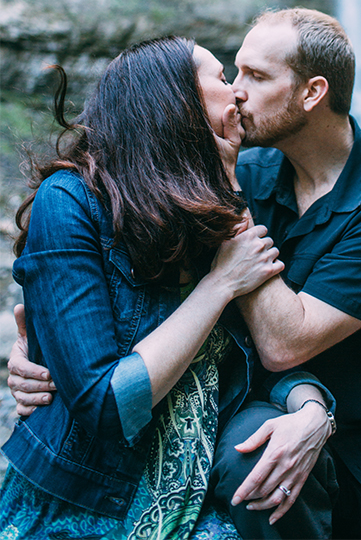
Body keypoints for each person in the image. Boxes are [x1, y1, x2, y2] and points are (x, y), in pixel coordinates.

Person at [12, 8, 361, 538]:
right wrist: (42, 354)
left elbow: (283, 343)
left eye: (255, 77)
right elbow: (132, 307)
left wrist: (228, 194)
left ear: (311, 94)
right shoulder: (238, 177)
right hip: (252, 414)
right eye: (232, 74)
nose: (238, 92)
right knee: (251, 462)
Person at [0, 37, 337, 538]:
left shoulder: (211, 207)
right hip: (90, 498)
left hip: (195, 486)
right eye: (223, 79)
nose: (239, 94)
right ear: (175, 101)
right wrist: (219, 285)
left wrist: (313, 410)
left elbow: (256, 360)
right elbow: (104, 404)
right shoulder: (69, 202)